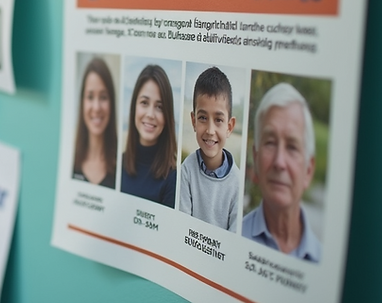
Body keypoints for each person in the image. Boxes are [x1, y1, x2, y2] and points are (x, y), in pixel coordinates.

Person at [243, 83, 322, 262]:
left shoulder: (322, 262)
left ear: (308, 171)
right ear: (256, 159)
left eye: (292, 147)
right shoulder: (233, 236)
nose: (279, 162)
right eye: (270, 143)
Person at [179, 67, 242, 231]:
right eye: (203, 118)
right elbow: (181, 227)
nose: (210, 130)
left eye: (218, 120)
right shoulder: (186, 171)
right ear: (193, 121)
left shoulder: (237, 183)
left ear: (230, 126)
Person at [119, 64, 177, 207]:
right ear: (134, 107)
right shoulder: (117, 164)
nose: (150, 114)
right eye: (144, 103)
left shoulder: (172, 178)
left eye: (159, 107)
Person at [72, 57, 118, 189]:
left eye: (103, 97)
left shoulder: (123, 166)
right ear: (82, 102)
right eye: (90, 97)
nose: (96, 107)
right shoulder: (69, 161)